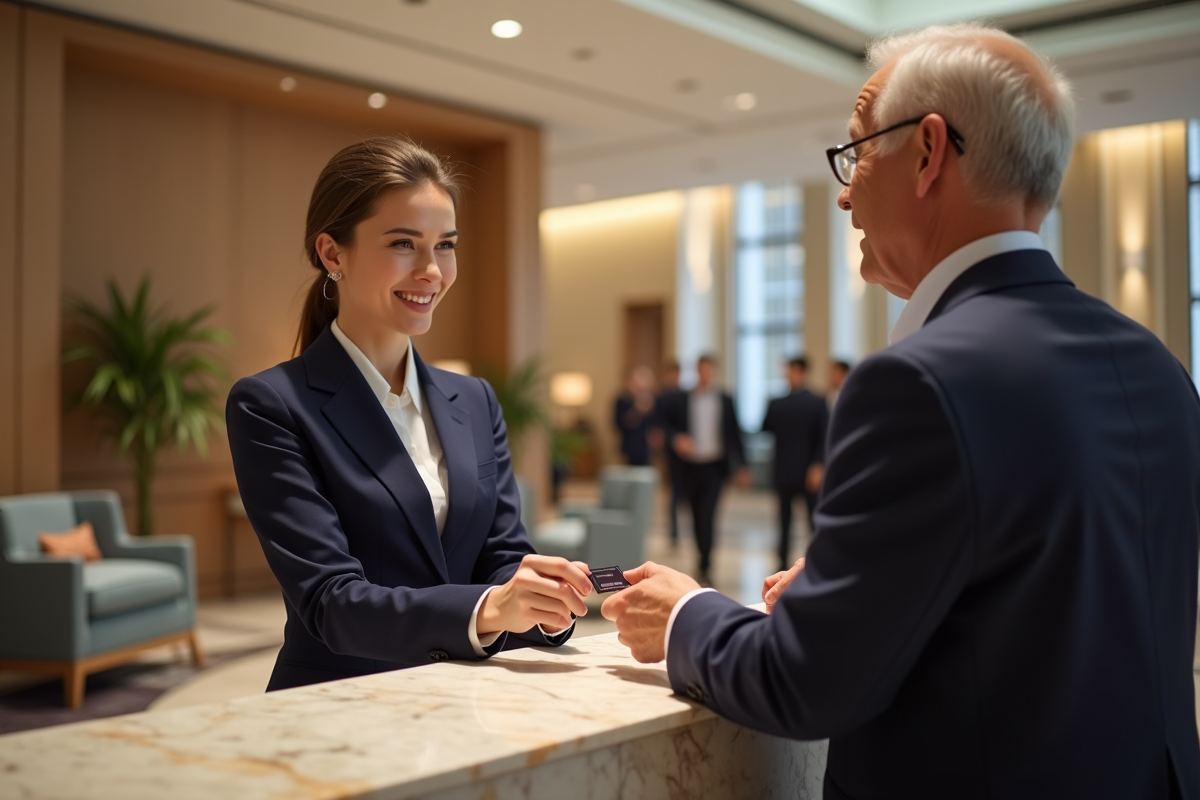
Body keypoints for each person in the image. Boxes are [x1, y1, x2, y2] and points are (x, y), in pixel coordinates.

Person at [601, 23, 1200, 799]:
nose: (845, 190)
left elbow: (805, 684)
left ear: (926, 152)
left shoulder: (919, 381)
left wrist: (688, 613)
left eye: (857, 150)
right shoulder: (1155, 363)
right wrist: (872, 576)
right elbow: (1053, 605)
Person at [226, 137, 593, 691]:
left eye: (445, 246)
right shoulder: (272, 405)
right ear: (332, 254)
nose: (432, 270)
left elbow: (500, 555)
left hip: (470, 701)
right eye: (403, 243)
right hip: (339, 707)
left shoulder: (474, 400)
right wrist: (491, 608)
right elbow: (331, 603)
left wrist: (540, 598)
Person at [659, 355, 747, 585]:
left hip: (715, 467)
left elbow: (735, 433)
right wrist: (677, 438)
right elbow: (665, 425)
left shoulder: (725, 399)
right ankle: (701, 560)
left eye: (709, 370)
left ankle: (706, 565)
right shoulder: (683, 398)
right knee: (695, 516)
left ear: (714, 372)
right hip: (689, 467)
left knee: (708, 515)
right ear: (697, 371)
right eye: (702, 370)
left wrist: (743, 465)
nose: (705, 374)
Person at [761, 357, 828, 572]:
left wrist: (818, 465)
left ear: (802, 372)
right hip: (784, 469)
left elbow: (824, 437)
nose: (789, 375)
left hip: (808, 471)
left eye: (793, 371)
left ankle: (817, 559)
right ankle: (782, 561)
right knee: (783, 520)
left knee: (812, 518)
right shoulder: (777, 403)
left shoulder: (817, 402)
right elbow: (766, 427)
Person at [652, 360, 686, 546]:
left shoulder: (685, 395)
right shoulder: (662, 397)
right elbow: (658, 423)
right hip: (671, 450)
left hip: (687, 450)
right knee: (673, 490)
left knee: (684, 491)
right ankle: (674, 531)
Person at [613, 366, 656, 466]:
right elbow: (618, 423)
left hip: (646, 446)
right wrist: (637, 410)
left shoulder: (649, 399)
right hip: (629, 445)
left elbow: (654, 422)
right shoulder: (622, 400)